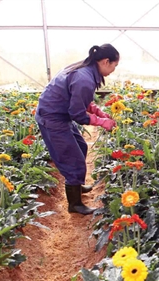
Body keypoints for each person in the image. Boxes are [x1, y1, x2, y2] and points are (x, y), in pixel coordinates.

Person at [35, 44, 119, 215]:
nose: (113, 70)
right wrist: (102, 122)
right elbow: (78, 114)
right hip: (52, 118)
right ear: (105, 61)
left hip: (58, 114)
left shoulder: (85, 69)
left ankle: (77, 186)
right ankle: (74, 204)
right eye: (114, 66)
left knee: (81, 146)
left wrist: (98, 111)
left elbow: (78, 99)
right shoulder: (84, 78)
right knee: (73, 159)